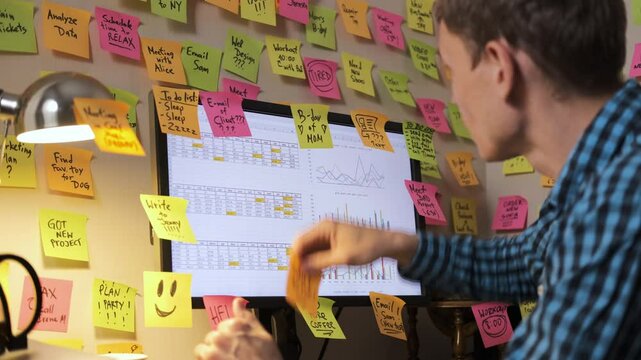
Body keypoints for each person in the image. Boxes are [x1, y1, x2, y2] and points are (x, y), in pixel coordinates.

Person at [195, 0, 641, 358]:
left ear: (499, 68)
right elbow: (525, 259)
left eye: (450, 71)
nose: (454, 94)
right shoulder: (609, 162)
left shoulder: (620, 203)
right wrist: (394, 244)